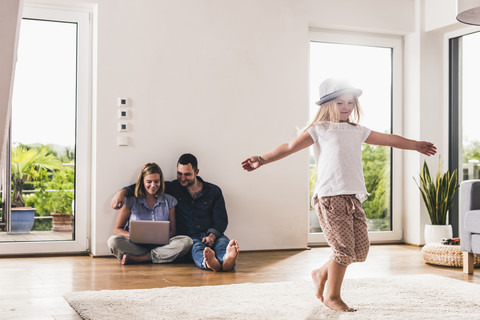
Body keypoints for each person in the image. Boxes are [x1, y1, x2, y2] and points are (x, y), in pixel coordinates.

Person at [241, 78, 437, 312]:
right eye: (340, 102)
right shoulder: (319, 130)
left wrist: (416, 145)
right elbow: (289, 146)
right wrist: (262, 159)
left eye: (350, 102)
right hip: (330, 197)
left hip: (353, 198)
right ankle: (332, 296)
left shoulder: (358, 130)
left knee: (360, 251)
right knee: (344, 250)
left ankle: (321, 271)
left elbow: (390, 139)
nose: (346, 107)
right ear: (326, 105)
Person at [111, 153, 240, 272]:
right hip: (189, 236)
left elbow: (221, 220)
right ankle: (210, 263)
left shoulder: (214, 191)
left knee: (221, 244)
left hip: (209, 234)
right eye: (179, 174)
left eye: (187, 174)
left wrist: (212, 236)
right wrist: (121, 193)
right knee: (196, 248)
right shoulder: (173, 187)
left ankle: (226, 262)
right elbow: (144, 185)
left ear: (196, 172)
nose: (182, 178)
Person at [107, 162, 193, 265]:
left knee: (187, 242)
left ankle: (141, 258)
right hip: (136, 246)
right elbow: (117, 230)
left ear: (161, 181)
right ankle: (157, 256)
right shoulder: (131, 200)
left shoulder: (169, 200)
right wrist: (133, 236)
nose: (153, 185)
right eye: (149, 181)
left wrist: (161, 238)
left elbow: (173, 231)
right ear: (142, 181)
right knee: (113, 241)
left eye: (156, 181)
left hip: (161, 246)